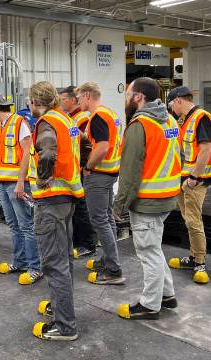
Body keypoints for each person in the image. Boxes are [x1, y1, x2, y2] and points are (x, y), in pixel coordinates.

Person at [113, 77, 181, 320]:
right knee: (154, 248)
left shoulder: (140, 125)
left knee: (148, 253)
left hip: (147, 201)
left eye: (128, 93)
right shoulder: (170, 120)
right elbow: (178, 156)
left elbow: (129, 173)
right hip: (167, 197)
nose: (126, 98)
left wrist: (118, 205)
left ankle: (150, 305)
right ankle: (167, 295)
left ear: (138, 96)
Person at [28, 81, 83, 341]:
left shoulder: (48, 123)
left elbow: (47, 153)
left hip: (51, 201)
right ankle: (62, 309)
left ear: (36, 102)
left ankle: (65, 326)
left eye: (29, 100)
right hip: (68, 198)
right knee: (65, 260)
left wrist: (42, 179)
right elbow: (84, 146)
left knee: (54, 263)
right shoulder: (66, 119)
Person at [0, 93, 42, 285]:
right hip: (3, 184)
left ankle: (35, 268)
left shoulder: (20, 123)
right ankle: (20, 262)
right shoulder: (0, 128)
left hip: (17, 184)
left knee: (26, 226)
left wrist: (21, 181)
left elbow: (28, 153)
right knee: (13, 226)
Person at [166, 86, 211, 284]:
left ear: (178, 100)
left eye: (171, 104)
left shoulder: (201, 117)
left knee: (193, 221)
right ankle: (193, 258)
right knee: (189, 220)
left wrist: (194, 178)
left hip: (196, 180)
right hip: (186, 179)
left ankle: (200, 263)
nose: (171, 109)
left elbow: (205, 151)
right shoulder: (187, 120)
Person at [75, 82, 125, 285]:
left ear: (87, 95)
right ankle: (108, 259)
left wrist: (87, 166)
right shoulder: (109, 113)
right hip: (111, 173)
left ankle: (114, 270)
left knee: (99, 221)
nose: (78, 103)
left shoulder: (97, 116)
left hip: (99, 174)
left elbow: (103, 147)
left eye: (79, 98)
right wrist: (83, 136)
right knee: (106, 218)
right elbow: (104, 141)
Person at [59, 86, 96, 258]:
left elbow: (84, 144)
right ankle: (78, 240)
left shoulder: (81, 118)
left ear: (73, 100)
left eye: (63, 99)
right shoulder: (70, 117)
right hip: (74, 168)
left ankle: (87, 243)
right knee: (75, 207)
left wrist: (83, 165)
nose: (60, 102)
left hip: (80, 168)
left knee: (81, 207)